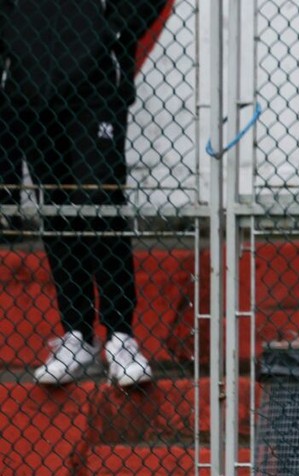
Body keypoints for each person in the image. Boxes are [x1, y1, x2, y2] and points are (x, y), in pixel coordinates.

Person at [0, 0, 173, 386]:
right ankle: (76, 333)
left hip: (95, 81)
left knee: (100, 198)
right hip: (29, 83)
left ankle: (120, 335)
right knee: (55, 204)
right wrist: (13, 36)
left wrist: (112, 31)